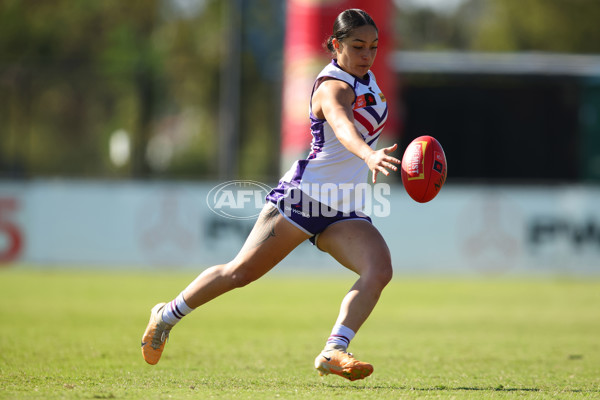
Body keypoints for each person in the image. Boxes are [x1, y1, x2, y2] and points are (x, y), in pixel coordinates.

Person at [141, 8, 400, 381]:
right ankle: (166, 315)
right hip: (304, 199)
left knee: (379, 269)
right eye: (357, 46)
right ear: (334, 45)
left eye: (373, 47)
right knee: (240, 273)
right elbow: (343, 127)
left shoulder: (369, 80)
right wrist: (369, 154)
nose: (366, 54)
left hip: (344, 207)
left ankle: (334, 350)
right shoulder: (332, 86)